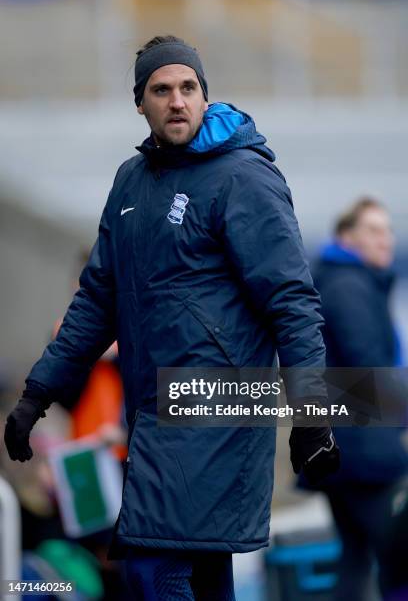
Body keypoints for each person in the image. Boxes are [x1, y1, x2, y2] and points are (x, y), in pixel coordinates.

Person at [4, 35, 339, 600]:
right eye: (162, 89)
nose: (177, 100)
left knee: (152, 567)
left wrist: (312, 414)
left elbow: (293, 301)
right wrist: (39, 392)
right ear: (141, 102)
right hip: (155, 416)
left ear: (205, 96)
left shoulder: (242, 177)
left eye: (189, 88)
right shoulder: (130, 182)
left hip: (218, 409)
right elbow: (97, 299)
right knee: (202, 576)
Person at [311, 198, 408, 601]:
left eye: (387, 230)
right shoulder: (349, 285)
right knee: (395, 557)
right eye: (372, 230)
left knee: (355, 557)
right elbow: (368, 365)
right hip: (362, 449)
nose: (384, 240)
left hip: (343, 445)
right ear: (346, 238)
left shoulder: (345, 280)